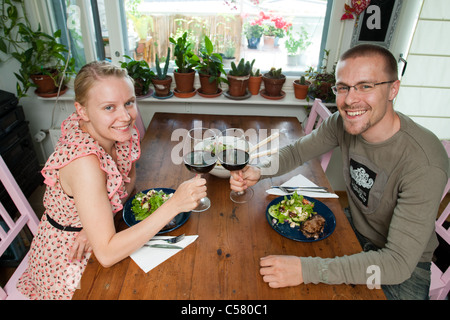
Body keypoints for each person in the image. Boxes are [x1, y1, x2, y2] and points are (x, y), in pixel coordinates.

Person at [230, 44, 449, 300]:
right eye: (343, 87)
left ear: (393, 89)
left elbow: (397, 264)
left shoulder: (424, 161)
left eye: (365, 86)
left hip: (403, 270)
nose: (349, 99)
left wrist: (306, 270)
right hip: (355, 230)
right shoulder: (342, 123)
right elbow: (297, 152)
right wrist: (259, 169)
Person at [17, 61, 207, 299]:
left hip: (100, 236)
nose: (125, 116)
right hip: (68, 261)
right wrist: (174, 205)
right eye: (109, 107)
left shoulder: (117, 133)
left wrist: (95, 220)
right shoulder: (85, 164)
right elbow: (106, 254)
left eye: (129, 102)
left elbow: (129, 177)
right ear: (82, 111)